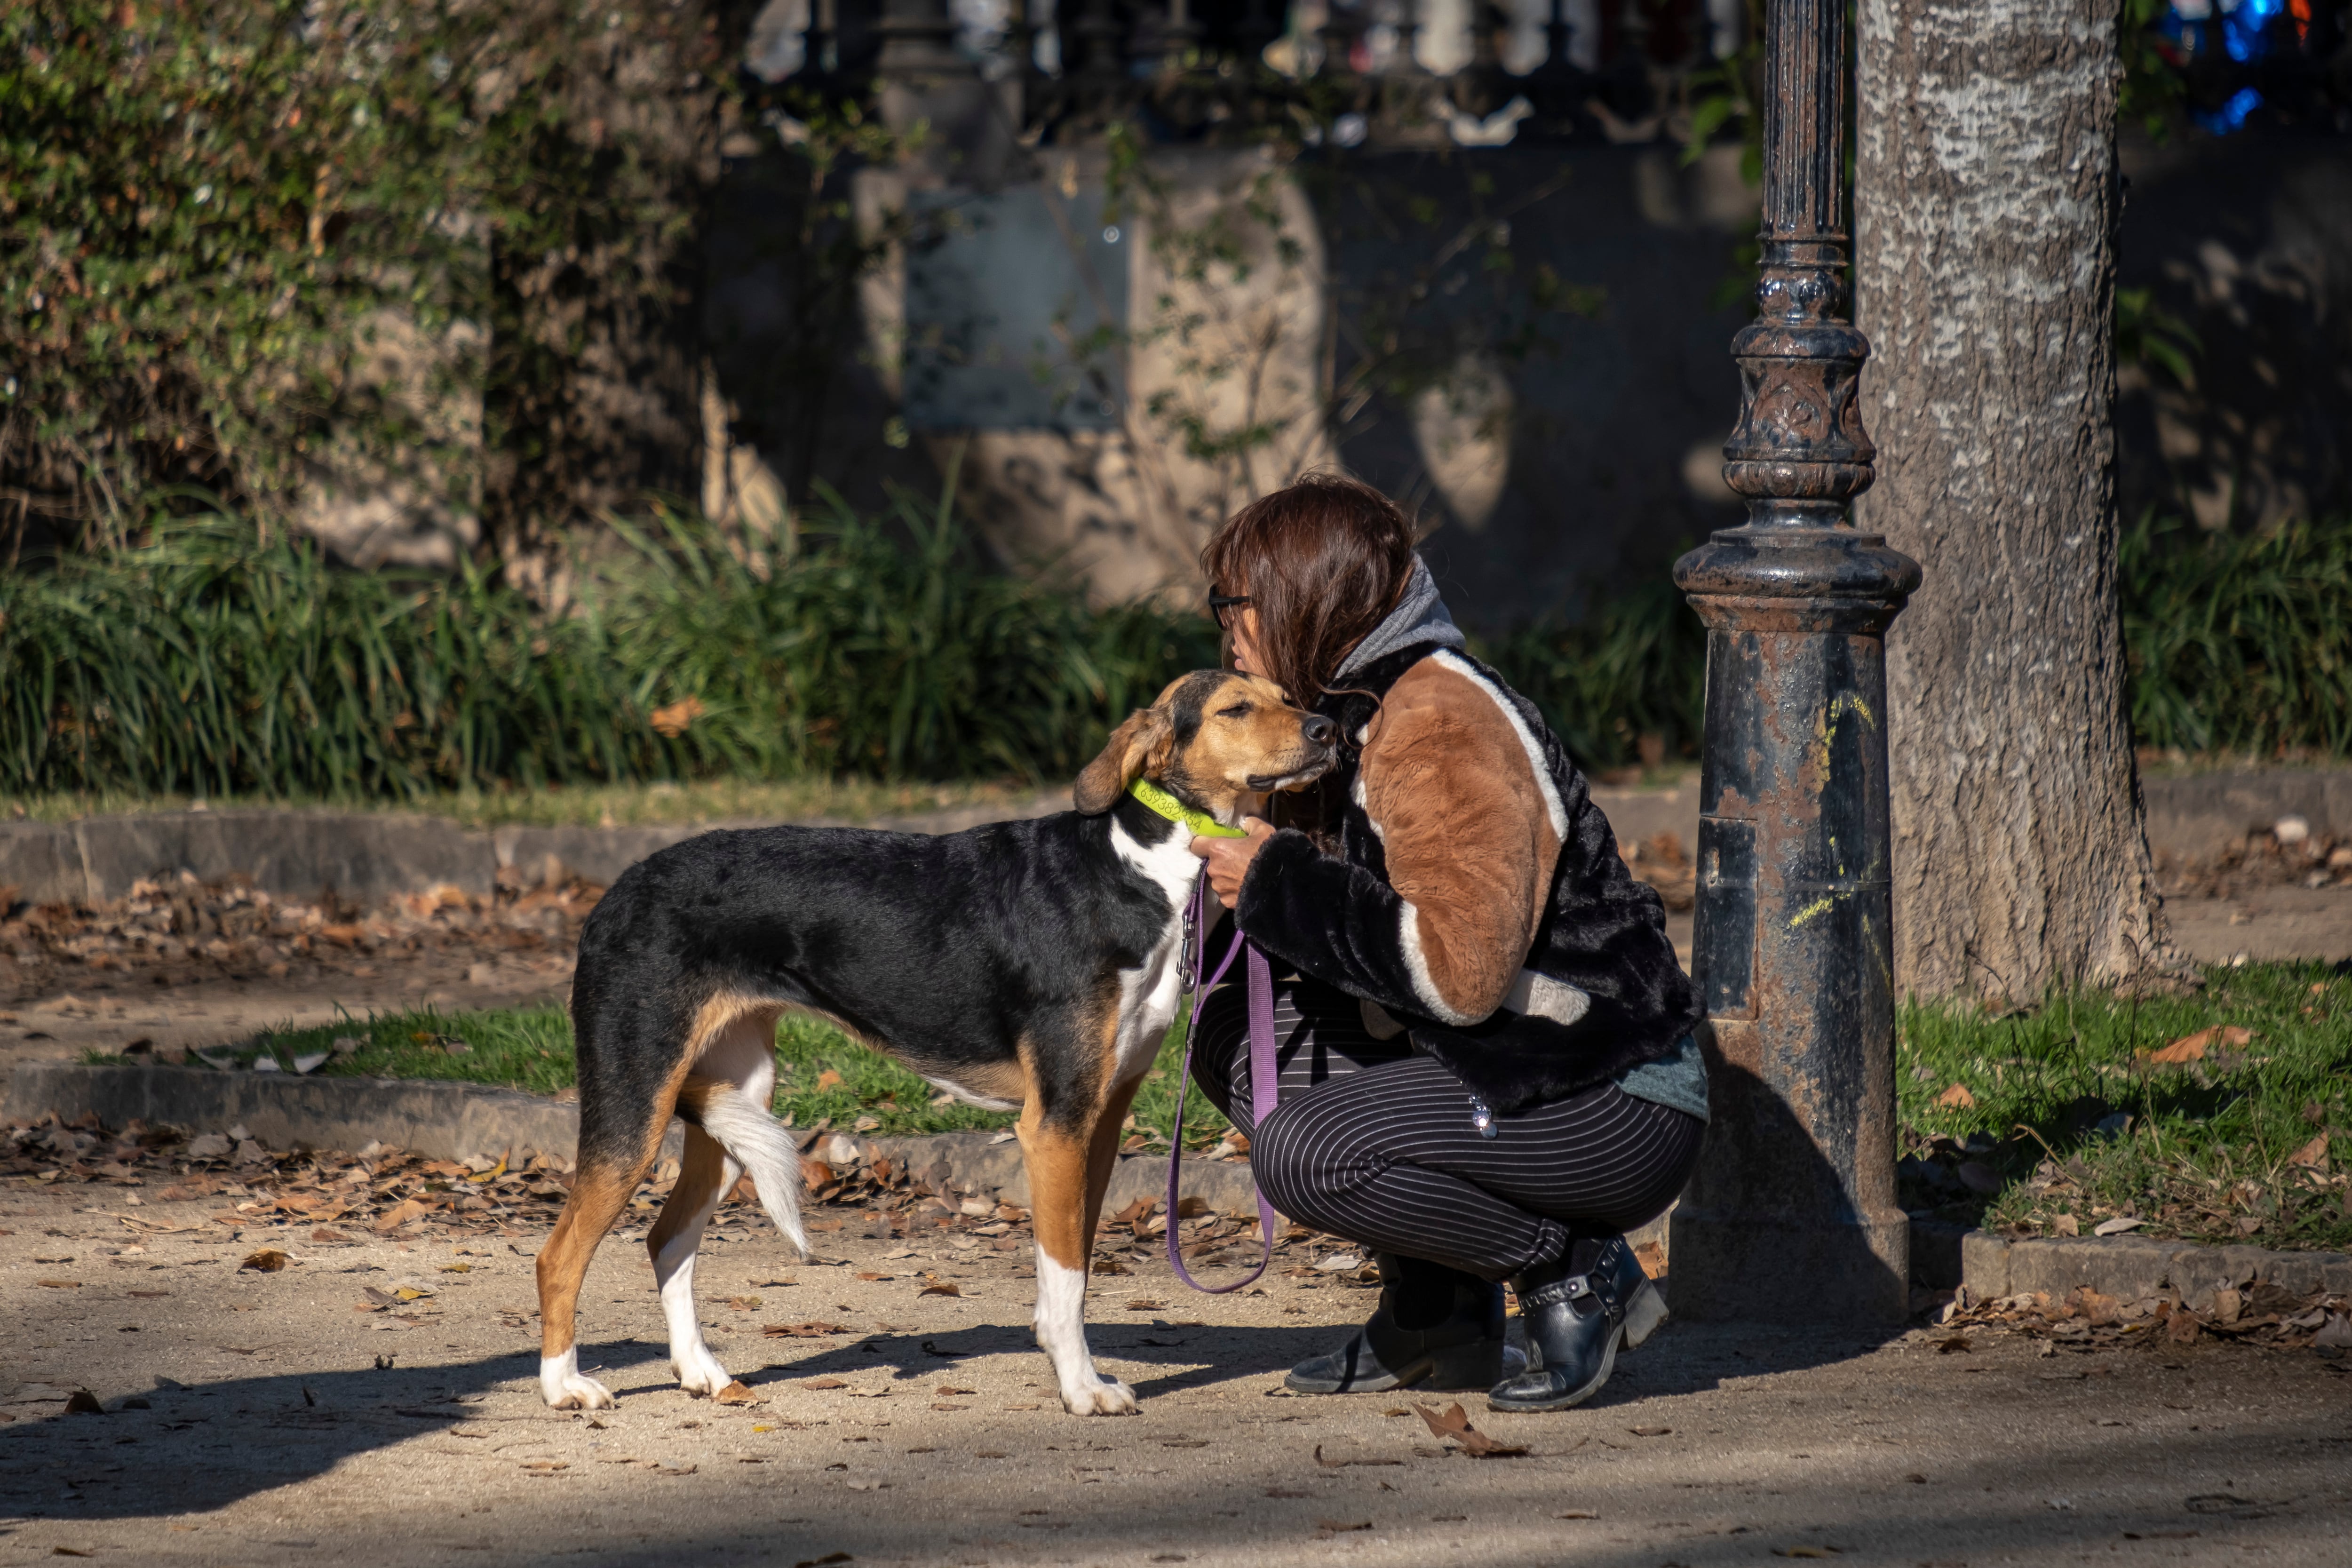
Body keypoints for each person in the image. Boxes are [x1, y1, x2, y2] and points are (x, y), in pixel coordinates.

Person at [1184, 473, 1708, 1412]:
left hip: (1607, 1088)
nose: (1224, 628)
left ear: (1306, 598)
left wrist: (1277, 883)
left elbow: (1459, 975)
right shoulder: (1340, 718)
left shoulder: (1436, 719)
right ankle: (1439, 1314)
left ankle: (1573, 1270)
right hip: (1500, 1065)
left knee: (1306, 1151)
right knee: (1234, 1037)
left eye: (1236, 602)